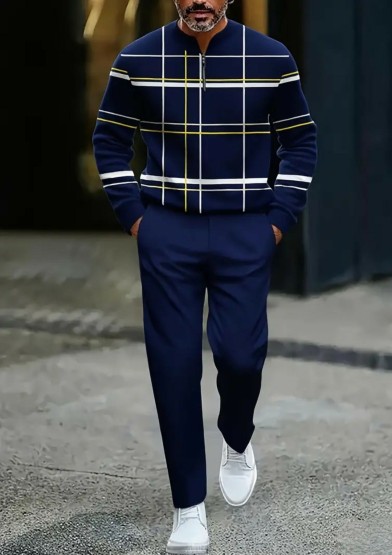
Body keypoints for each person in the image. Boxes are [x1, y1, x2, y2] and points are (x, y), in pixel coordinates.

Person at [92, 0, 317, 553]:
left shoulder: (270, 57)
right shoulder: (137, 58)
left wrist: (278, 221)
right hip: (167, 229)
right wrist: (135, 216)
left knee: (240, 356)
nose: (200, 1)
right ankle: (188, 507)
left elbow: (300, 141)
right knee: (172, 366)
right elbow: (109, 139)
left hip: (246, 229)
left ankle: (236, 438)